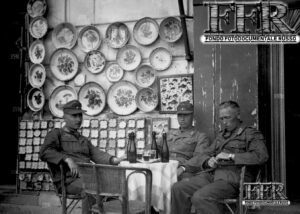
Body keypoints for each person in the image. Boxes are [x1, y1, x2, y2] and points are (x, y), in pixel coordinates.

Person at [171, 100, 269, 214]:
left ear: (238, 115)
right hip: (213, 175)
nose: (224, 122)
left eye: (227, 118)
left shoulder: (250, 133)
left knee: (200, 197)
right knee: (178, 188)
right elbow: (205, 154)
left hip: (232, 178)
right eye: (222, 119)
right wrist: (206, 162)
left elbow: (262, 156)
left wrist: (231, 156)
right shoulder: (221, 135)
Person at [39, 100, 123, 214]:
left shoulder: (83, 139)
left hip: (89, 177)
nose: (78, 119)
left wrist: (115, 159)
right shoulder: (56, 134)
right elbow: (44, 152)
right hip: (69, 181)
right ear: (64, 117)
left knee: (114, 188)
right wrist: (67, 159)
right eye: (74, 116)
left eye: (80, 115)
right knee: (92, 188)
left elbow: (96, 154)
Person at [157, 101, 210, 180]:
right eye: (180, 115)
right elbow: (155, 146)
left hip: (183, 169)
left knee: (182, 181)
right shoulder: (169, 133)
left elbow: (199, 157)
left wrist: (183, 168)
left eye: (186, 115)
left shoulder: (200, 136)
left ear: (192, 116)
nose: (182, 119)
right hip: (164, 166)